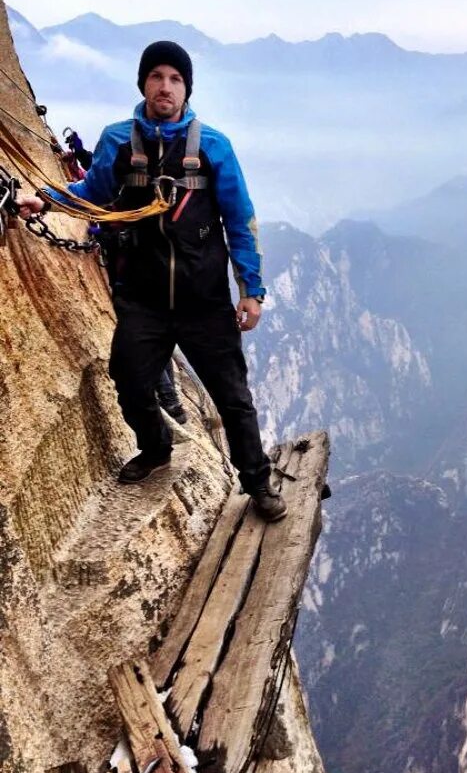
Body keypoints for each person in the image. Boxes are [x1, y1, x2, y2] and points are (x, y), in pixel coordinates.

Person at [18, 41, 286, 521]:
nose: (165, 86)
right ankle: (156, 447)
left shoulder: (212, 147)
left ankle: (258, 482)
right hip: (144, 299)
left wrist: (251, 290)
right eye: (157, 76)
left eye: (175, 79)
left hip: (202, 301)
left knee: (233, 397)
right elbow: (93, 192)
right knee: (129, 377)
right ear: (143, 83)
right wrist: (47, 200)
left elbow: (240, 220)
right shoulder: (119, 141)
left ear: (186, 88)